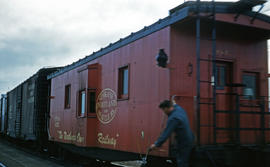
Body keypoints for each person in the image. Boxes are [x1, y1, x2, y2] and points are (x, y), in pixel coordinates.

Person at [150, 98, 194, 167]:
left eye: (163, 110)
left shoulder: (173, 118)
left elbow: (166, 133)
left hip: (183, 143)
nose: (164, 112)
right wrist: (174, 103)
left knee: (182, 163)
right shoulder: (179, 110)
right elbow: (176, 105)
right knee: (187, 161)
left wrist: (156, 144)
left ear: (167, 108)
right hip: (190, 139)